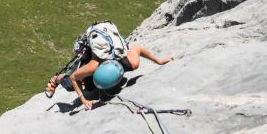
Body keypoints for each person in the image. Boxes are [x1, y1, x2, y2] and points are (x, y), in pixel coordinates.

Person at [46, 44, 174, 110]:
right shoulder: (92, 66)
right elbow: (74, 77)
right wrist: (83, 100)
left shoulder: (131, 63)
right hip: (94, 58)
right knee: (71, 85)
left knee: (88, 87)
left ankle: (87, 84)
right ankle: (55, 79)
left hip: (110, 55)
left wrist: (160, 61)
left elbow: (137, 48)